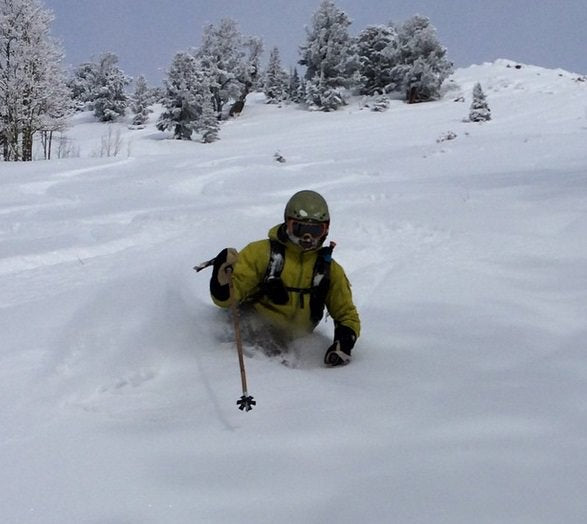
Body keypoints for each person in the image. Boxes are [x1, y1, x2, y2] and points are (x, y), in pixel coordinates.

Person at [209, 190, 360, 366]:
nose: (307, 237)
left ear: (326, 229)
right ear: (287, 223)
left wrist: (344, 342)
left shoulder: (328, 270)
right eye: (299, 228)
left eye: (315, 230)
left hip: (294, 342)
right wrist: (222, 285)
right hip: (247, 335)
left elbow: (346, 314)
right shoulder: (261, 254)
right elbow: (229, 299)